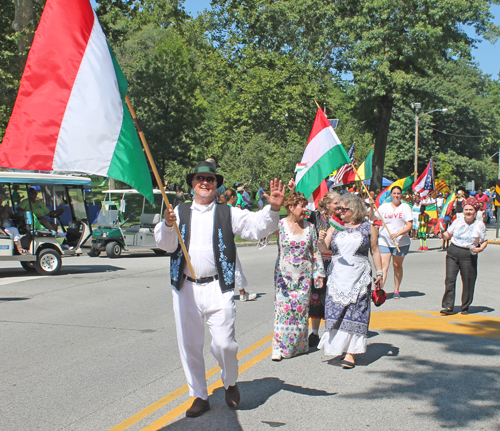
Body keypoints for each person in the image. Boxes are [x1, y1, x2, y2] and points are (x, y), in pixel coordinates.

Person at [154, 161, 285, 417]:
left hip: (218, 286)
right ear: (193, 183)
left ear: (216, 184)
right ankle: (199, 396)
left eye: (210, 179)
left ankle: (230, 382)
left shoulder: (228, 213)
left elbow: (257, 226)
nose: (205, 182)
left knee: (225, 345)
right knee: (189, 344)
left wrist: (275, 208)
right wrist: (169, 224)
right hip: (185, 288)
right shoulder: (177, 211)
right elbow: (166, 246)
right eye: (200, 178)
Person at [317, 194, 384, 369]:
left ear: (353, 209)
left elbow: (375, 251)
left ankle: (351, 353)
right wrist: (320, 239)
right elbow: (324, 250)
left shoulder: (369, 228)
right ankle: (339, 347)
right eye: (338, 208)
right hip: (338, 274)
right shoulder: (335, 227)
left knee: (356, 312)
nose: (339, 211)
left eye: (342, 208)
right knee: (336, 310)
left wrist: (380, 272)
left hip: (359, 275)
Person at [272, 191, 324, 361]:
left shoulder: (310, 227)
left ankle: (299, 346)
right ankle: (278, 348)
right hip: (283, 276)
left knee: (300, 311)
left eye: (305, 205)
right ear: (291, 207)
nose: (305, 209)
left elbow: (315, 252)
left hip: (304, 276)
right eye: (302, 205)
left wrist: (319, 273)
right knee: (283, 310)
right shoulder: (279, 225)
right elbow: (261, 238)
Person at [438, 197, 488, 315]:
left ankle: (465, 306)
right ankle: (448, 306)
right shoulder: (457, 221)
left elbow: (484, 240)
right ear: (463, 211)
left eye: (471, 210)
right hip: (453, 252)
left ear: (475, 211)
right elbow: (448, 234)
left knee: (468, 280)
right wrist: (442, 235)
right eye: (466, 210)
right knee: (450, 279)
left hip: (468, 254)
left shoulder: (479, 225)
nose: (468, 212)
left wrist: (480, 248)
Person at [370, 185, 412, 299]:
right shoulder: (384, 207)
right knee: (384, 266)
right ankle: (379, 290)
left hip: (401, 242)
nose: (396, 195)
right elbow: (373, 218)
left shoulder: (405, 207)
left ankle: (396, 290)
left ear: (401, 195)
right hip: (384, 240)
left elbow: (409, 225)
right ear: (391, 194)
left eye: (398, 193)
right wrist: (371, 206)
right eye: (394, 193)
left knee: (397, 265)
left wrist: (398, 234)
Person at [225, 188, 257, 302]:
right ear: (233, 197)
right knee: (236, 268)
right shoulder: (233, 211)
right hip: (227, 243)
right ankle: (242, 292)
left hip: (218, 244)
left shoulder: (220, 210)